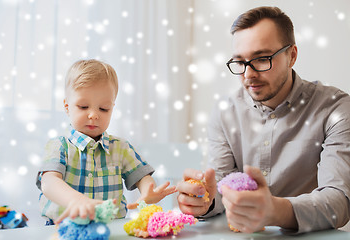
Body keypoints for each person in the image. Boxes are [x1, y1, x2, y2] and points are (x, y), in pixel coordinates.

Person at [177, 6, 350, 234]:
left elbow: (340, 201)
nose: (248, 74)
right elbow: (220, 188)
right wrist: (204, 201)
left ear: (292, 56)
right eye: (240, 62)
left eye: (261, 59)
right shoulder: (225, 112)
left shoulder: (335, 108)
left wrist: (274, 210)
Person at [36, 59, 176, 225]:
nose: (94, 115)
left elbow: (142, 177)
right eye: (83, 106)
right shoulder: (59, 146)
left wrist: (147, 191)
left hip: (111, 228)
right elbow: (49, 182)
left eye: (103, 109)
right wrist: (75, 200)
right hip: (63, 227)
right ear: (67, 106)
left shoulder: (121, 148)